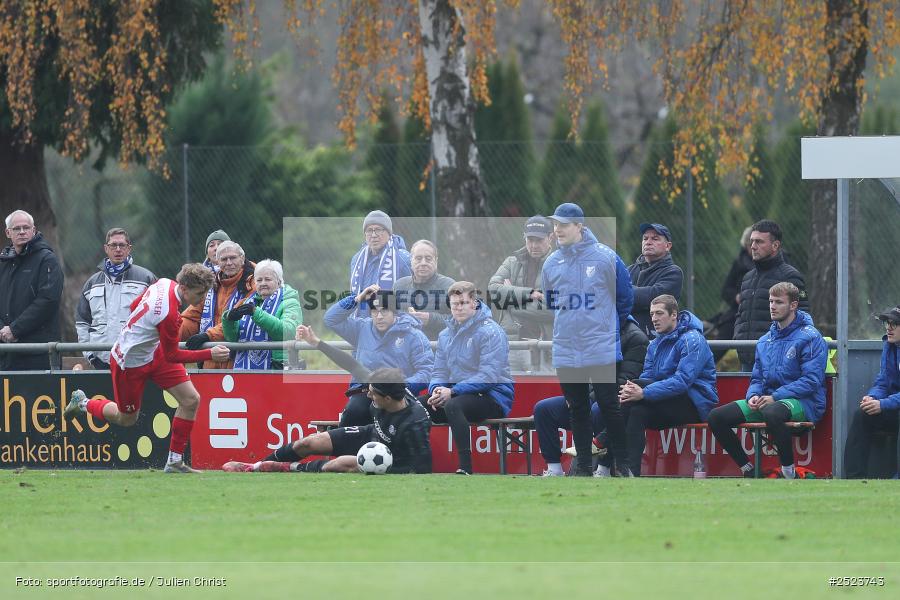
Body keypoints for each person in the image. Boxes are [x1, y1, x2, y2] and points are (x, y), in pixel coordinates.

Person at [64, 264, 231, 473]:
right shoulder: (169, 313)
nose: (204, 298)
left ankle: (174, 461)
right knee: (126, 419)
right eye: (200, 293)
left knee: (191, 400)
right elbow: (174, 355)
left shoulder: (164, 282)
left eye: (206, 293)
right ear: (185, 289)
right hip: (129, 364)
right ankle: (83, 403)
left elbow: (135, 305)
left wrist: (142, 332)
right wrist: (210, 353)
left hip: (155, 353)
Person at [223, 325, 431, 474]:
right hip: (371, 434)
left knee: (338, 464)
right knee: (309, 442)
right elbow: (351, 363)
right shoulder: (383, 385)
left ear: (387, 398)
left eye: (372, 394)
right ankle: (256, 466)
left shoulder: (415, 421)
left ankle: (288, 468)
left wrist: (382, 467)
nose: (367, 395)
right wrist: (317, 343)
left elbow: (421, 466)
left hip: (389, 456)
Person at [542, 202, 634, 476]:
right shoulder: (551, 262)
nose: (558, 229)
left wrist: (603, 326)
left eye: (564, 224)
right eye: (555, 224)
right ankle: (582, 467)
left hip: (601, 346)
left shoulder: (606, 257)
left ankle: (623, 465)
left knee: (609, 405)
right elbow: (550, 301)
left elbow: (625, 298)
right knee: (577, 407)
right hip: (567, 347)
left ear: (580, 226)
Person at [708, 282, 826, 479]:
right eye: (771, 301)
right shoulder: (765, 340)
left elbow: (811, 381)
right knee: (716, 417)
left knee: (772, 412)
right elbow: (757, 378)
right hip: (769, 400)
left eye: (779, 302)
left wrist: (775, 397)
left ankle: (789, 474)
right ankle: (748, 470)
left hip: (805, 402)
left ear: (793, 305)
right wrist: (753, 395)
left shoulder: (811, 337)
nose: (772, 306)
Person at [535, 315, 649, 476]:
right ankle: (554, 469)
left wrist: (587, 396)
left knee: (602, 408)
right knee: (543, 409)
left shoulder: (636, 338)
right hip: (588, 395)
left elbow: (625, 380)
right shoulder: (592, 332)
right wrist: (572, 395)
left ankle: (603, 469)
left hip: (611, 397)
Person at [617, 295, 718, 476]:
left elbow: (682, 382)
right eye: (652, 314)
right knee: (636, 410)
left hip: (694, 403)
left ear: (674, 315)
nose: (654, 319)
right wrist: (641, 392)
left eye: (659, 313)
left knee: (634, 389)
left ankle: (601, 443)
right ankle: (630, 473)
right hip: (665, 399)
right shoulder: (654, 344)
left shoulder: (693, 339)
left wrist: (644, 393)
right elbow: (647, 376)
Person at [427, 281, 514, 474]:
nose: (458, 308)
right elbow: (439, 371)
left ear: (474, 303)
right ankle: (420, 462)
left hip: (493, 397)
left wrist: (453, 391)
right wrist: (436, 390)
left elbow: (488, 376)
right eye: (455, 304)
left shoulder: (491, 331)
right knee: (420, 405)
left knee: (453, 405)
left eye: (463, 303)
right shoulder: (444, 335)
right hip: (457, 394)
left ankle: (465, 467)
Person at [324, 283, 434, 426]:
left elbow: (427, 371)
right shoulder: (361, 328)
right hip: (365, 392)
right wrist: (357, 299)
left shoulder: (413, 335)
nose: (379, 316)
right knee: (353, 412)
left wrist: (401, 387)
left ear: (394, 312)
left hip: (398, 396)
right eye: (375, 311)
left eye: (385, 311)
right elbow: (330, 319)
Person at [75, 228, 157, 370]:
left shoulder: (146, 278)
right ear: (106, 248)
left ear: (129, 248)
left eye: (122, 245)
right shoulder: (91, 283)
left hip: (136, 359)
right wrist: (90, 356)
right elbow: (82, 322)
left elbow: (158, 317)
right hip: (101, 360)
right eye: (113, 245)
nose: (118, 249)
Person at [734, 219, 809, 371]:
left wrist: (782, 349)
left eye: (759, 242)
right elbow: (741, 315)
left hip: (777, 362)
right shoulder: (748, 277)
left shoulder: (791, 276)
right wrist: (738, 339)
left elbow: (803, 318)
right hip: (747, 358)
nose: (753, 246)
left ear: (775, 245)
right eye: (752, 241)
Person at [488, 215, 556, 371]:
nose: (533, 245)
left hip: (542, 347)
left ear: (550, 237)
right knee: (510, 393)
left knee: (541, 394)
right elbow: (493, 291)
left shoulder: (558, 265)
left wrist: (510, 304)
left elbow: (552, 308)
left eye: (539, 240)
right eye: (530, 240)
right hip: (510, 344)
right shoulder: (512, 262)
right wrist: (529, 293)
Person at [0, 210, 64, 371]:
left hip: (38, 352)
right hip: (5, 352)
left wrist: (15, 330)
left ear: (33, 230)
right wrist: (3, 331)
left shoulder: (47, 259)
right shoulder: (3, 262)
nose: (22, 232)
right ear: (8, 232)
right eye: (16, 228)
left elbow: (48, 301)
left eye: (26, 227)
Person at [843, 305, 900, 479]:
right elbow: (883, 382)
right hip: (893, 406)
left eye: (895, 323)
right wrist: (873, 397)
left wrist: (882, 404)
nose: (889, 328)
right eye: (887, 323)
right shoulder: (889, 346)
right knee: (862, 414)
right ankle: (854, 479)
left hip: (891, 405)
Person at [180, 241, 256, 368]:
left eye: (233, 258)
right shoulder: (210, 282)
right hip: (211, 356)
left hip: (239, 358)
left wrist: (207, 335)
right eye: (224, 259)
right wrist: (168, 332)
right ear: (217, 261)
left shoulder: (253, 282)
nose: (229, 263)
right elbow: (191, 317)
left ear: (242, 258)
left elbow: (241, 318)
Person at [221, 259, 302, 370]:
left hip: (277, 368)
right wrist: (229, 320)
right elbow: (232, 338)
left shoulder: (290, 302)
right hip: (245, 368)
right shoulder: (248, 302)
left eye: (267, 279)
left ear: (279, 281)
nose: (263, 283)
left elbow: (288, 332)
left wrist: (256, 313)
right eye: (259, 280)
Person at [349, 210, 411, 317]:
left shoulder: (403, 258)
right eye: (369, 230)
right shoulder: (357, 259)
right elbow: (354, 294)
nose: (373, 235)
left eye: (378, 230)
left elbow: (412, 295)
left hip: (392, 324)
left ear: (389, 232)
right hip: (361, 324)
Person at [627, 223, 684, 337]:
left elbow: (653, 297)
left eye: (655, 239)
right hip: (626, 335)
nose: (648, 242)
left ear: (668, 246)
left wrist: (623, 291)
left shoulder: (673, 272)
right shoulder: (629, 270)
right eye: (645, 238)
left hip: (657, 338)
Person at [393, 239, 455, 340]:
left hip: (437, 348)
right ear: (411, 260)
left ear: (436, 261)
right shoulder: (399, 286)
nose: (423, 263)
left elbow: (458, 320)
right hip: (405, 348)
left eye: (428, 258)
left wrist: (431, 319)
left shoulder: (449, 286)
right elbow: (391, 318)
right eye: (418, 258)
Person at [710, 226, 754, 361]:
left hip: (761, 313)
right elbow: (726, 289)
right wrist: (736, 297)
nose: (753, 247)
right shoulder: (739, 263)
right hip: (738, 311)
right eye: (750, 244)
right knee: (720, 341)